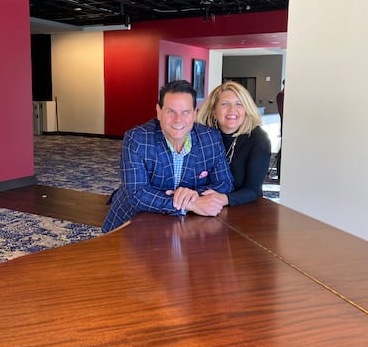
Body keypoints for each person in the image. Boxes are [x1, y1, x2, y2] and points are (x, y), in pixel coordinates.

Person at [102, 80, 234, 233]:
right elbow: (137, 193)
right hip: (133, 224)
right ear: (159, 112)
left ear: (194, 113)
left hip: (188, 227)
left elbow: (225, 183)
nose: (178, 119)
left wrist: (193, 195)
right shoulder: (137, 139)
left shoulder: (210, 138)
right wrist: (190, 204)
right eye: (171, 111)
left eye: (185, 112)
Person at [197, 81, 271, 206]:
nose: (232, 110)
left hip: (243, 208)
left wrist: (223, 199)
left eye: (239, 104)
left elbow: (253, 190)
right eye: (225, 104)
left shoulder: (258, 139)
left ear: (246, 110)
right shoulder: (202, 136)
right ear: (214, 111)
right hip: (200, 204)